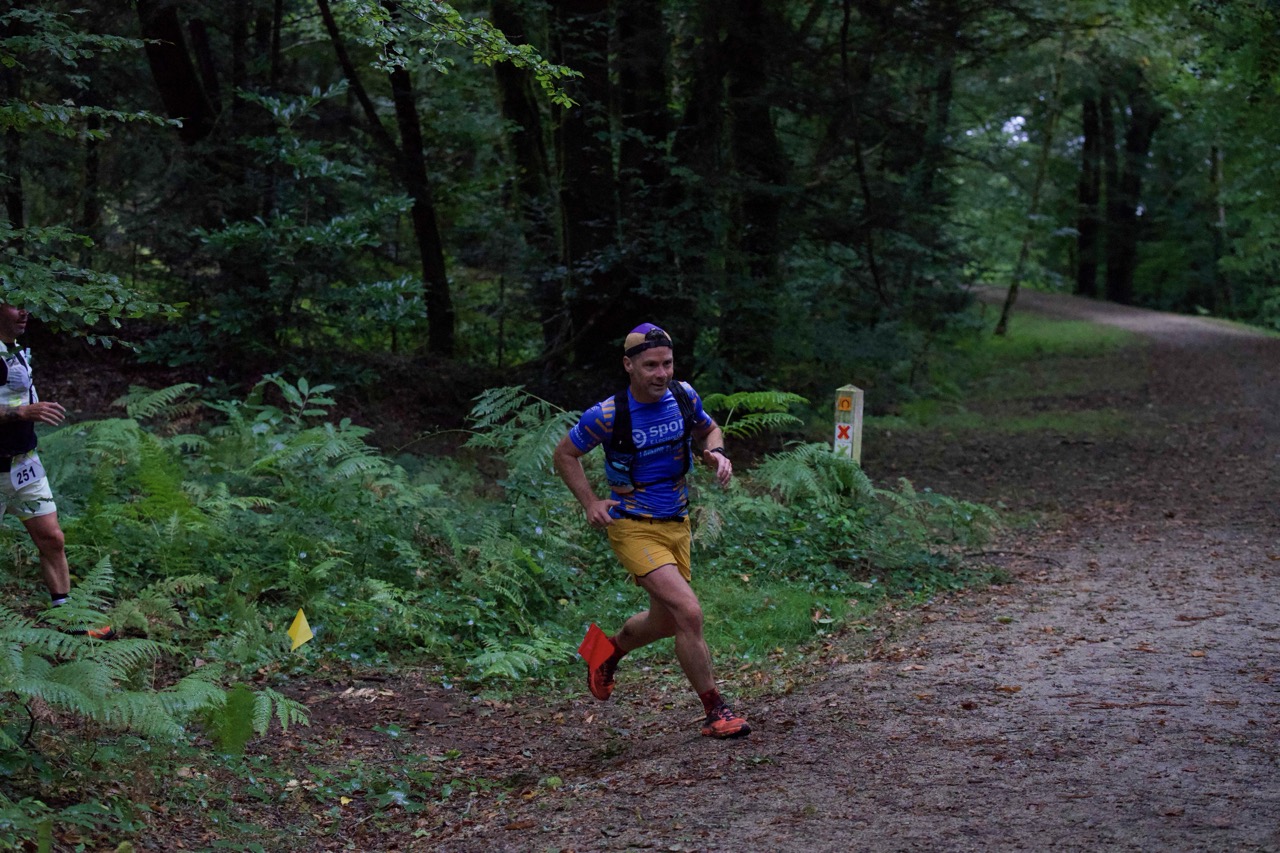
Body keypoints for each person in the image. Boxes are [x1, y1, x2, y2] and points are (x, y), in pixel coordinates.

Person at [552, 323, 749, 739]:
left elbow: (709, 428)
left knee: (665, 621)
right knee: (689, 612)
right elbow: (565, 454)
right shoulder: (608, 415)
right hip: (632, 525)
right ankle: (716, 710)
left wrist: (714, 452)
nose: (662, 374)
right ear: (629, 365)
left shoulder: (684, 395)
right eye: (651, 366)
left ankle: (604, 652)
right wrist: (590, 502)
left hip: (677, 522)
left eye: (668, 364)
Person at [0, 304, 113, 639]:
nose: (24, 313)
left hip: (24, 464)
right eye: (15, 306)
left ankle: (68, 619)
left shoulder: (15, 350)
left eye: (26, 306)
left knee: (52, 538)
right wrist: (22, 413)